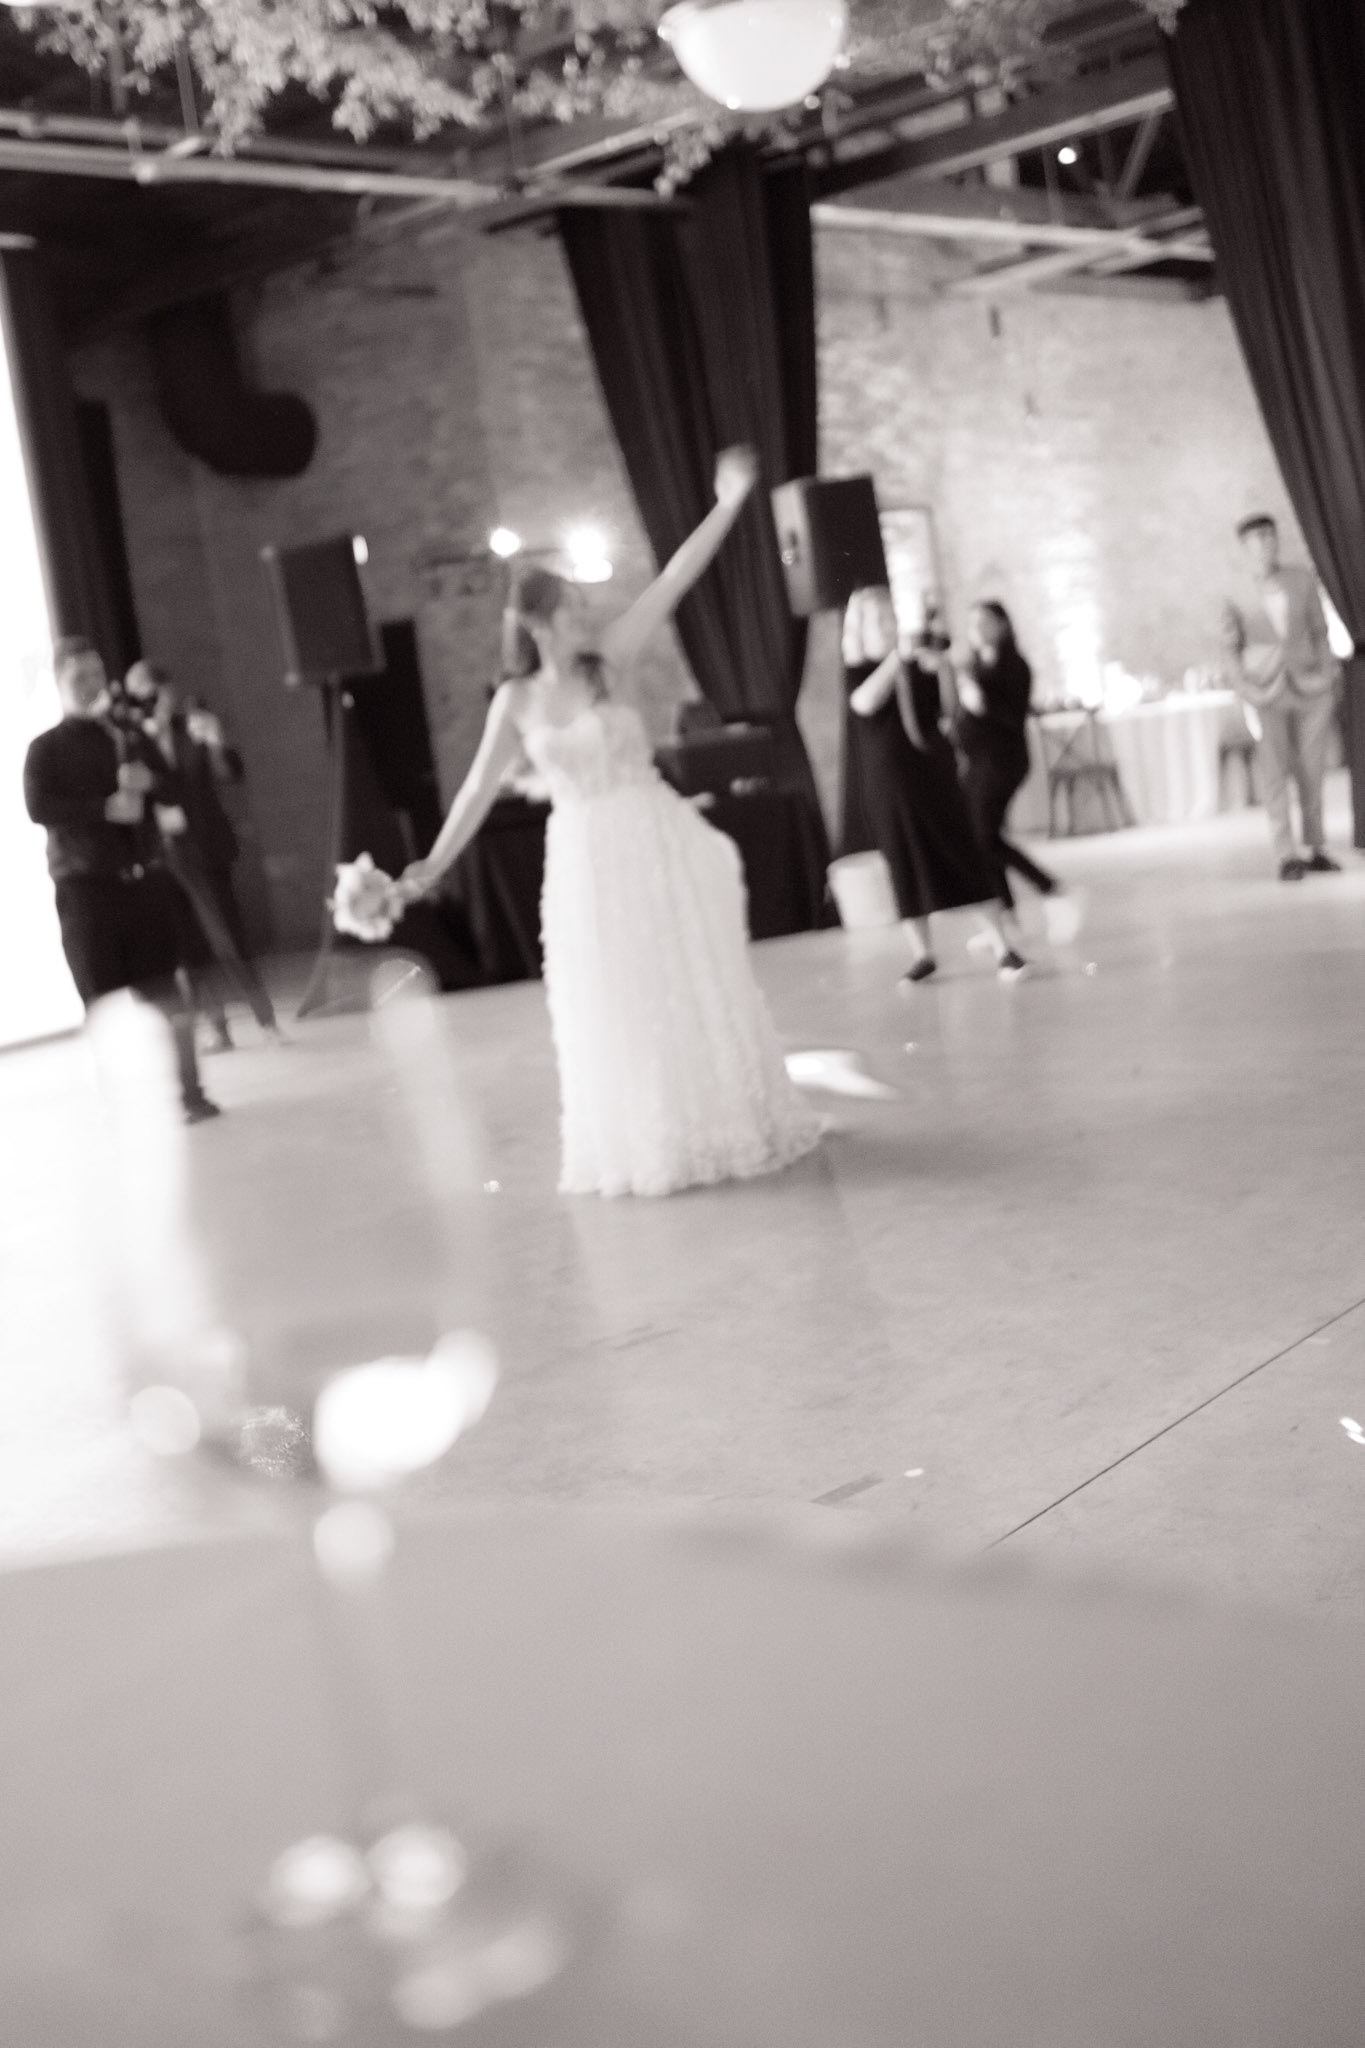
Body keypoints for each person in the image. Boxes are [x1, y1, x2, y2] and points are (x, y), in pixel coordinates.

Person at [393, 447, 822, 1199]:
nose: (584, 616)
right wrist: (434, 861)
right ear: (538, 624)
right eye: (570, 609)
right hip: (584, 857)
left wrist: (727, 505)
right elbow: (476, 791)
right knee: (616, 993)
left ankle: (724, 1116)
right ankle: (651, 1134)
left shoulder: (607, 660)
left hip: (650, 837)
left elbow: (675, 578)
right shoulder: (516, 702)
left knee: (681, 976)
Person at [22, 639, 219, 1122]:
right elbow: (38, 807)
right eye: (78, 678)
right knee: (105, 1004)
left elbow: (176, 787)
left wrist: (153, 783)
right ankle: (127, 1111)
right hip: (86, 891)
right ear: (60, 682)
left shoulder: (129, 736)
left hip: (144, 881)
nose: (91, 685)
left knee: (167, 994)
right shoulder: (45, 748)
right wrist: (103, 808)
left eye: (96, 674)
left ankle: (192, 1095)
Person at [842, 587, 1029, 986]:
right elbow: (863, 703)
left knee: (962, 853)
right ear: (861, 629)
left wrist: (942, 667)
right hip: (887, 782)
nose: (888, 626)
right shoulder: (861, 668)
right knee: (904, 863)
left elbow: (946, 709)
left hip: (931, 773)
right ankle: (923, 955)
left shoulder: (919, 661)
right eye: (878, 620)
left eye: (890, 617)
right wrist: (898, 660)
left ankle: (1003, 947)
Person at [125, 660, 280, 1046]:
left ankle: (265, 1019)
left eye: (156, 693)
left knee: (227, 936)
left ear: (168, 691)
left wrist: (217, 741)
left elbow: (230, 771)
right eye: (142, 697)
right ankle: (216, 1028)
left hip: (204, 846)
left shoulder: (192, 726)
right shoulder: (130, 739)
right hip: (160, 855)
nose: (153, 703)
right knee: (186, 949)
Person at [1220, 515, 1342, 881]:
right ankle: (1286, 853)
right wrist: (1244, 688)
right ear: (1244, 545)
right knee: (1274, 774)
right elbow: (1229, 648)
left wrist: (1327, 673)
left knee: (1312, 769)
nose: (1265, 543)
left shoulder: (1300, 579)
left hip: (1309, 685)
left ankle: (1316, 846)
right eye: (1257, 537)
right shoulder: (1233, 590)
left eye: (1269, 535)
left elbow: (1320, 631)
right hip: (1265, 690)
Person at [952, 601, 1078, 944]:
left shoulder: (1014, 666)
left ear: (1002, 625)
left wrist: (981, 702)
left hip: (1003, 762)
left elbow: (1011, 716)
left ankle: (1049, 886)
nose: (976, 629)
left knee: (984, 838)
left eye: (984, 622)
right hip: (976, 762)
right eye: (971, 623)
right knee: (979, 839)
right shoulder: (975, 666)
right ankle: (1005, 920)